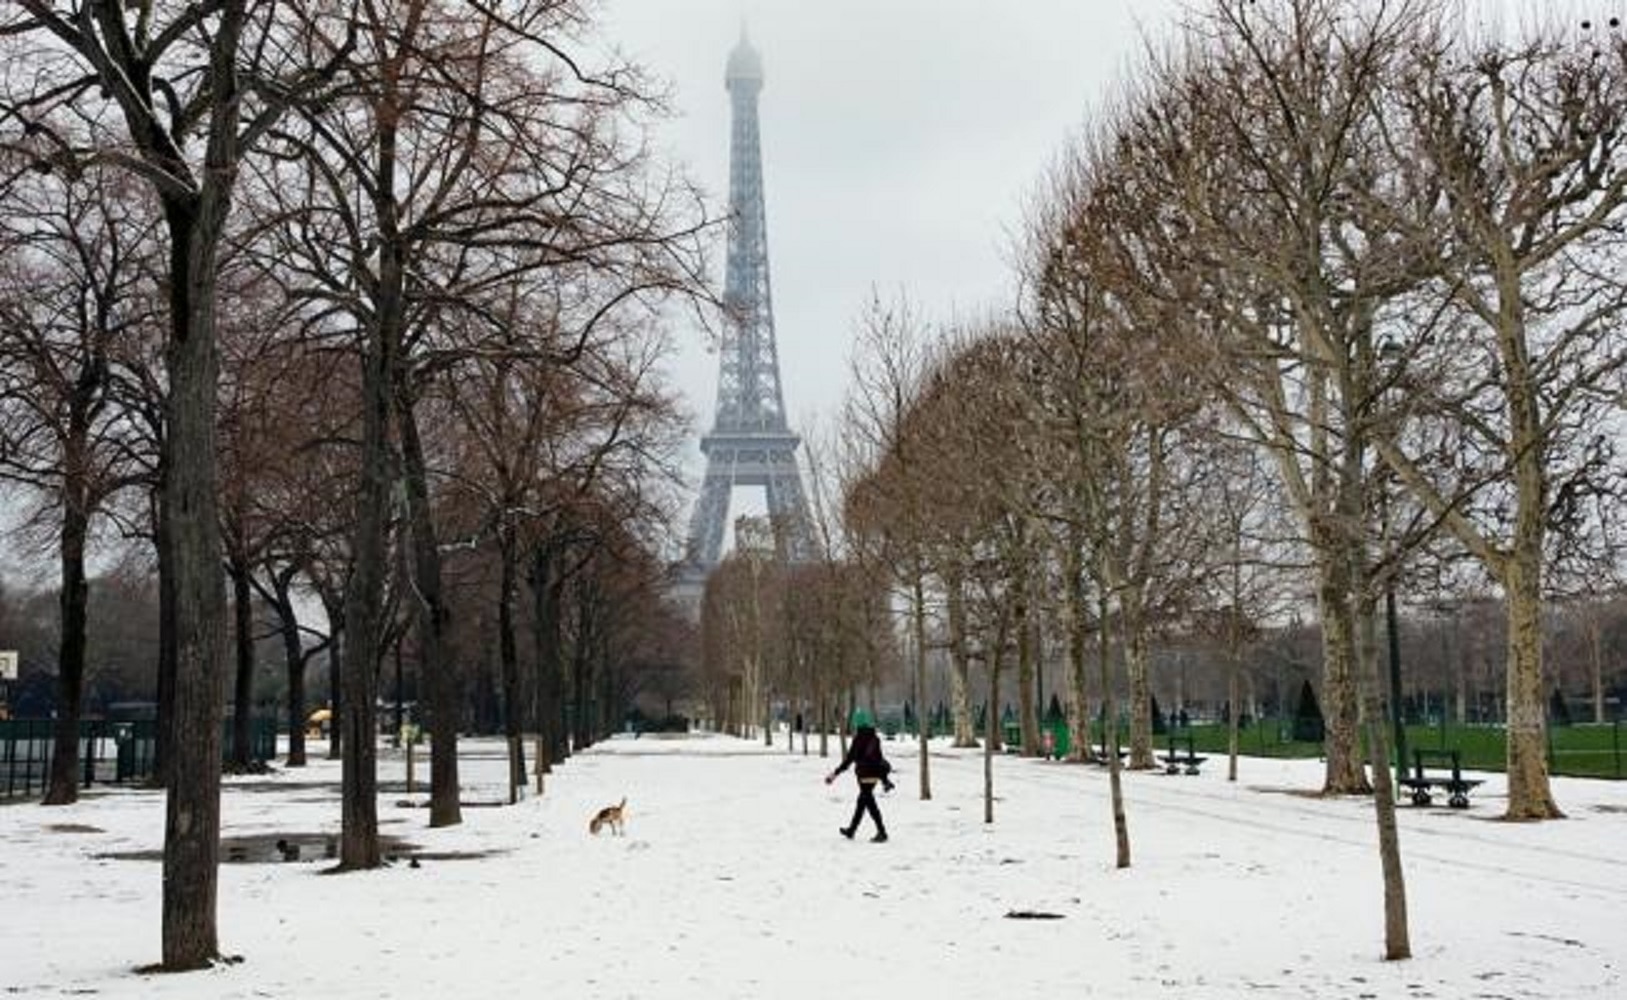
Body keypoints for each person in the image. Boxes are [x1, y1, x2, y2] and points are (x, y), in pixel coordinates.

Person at [824, 708, 892, 842]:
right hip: (874, 776)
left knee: (870, 804)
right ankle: (852, 830)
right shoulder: (875, 738)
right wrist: (884, 779)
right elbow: (879, 759)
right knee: (862, 802)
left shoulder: (859, 739)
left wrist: (834, 774)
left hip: (864, 775)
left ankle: (882, 832)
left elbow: (849, 760)